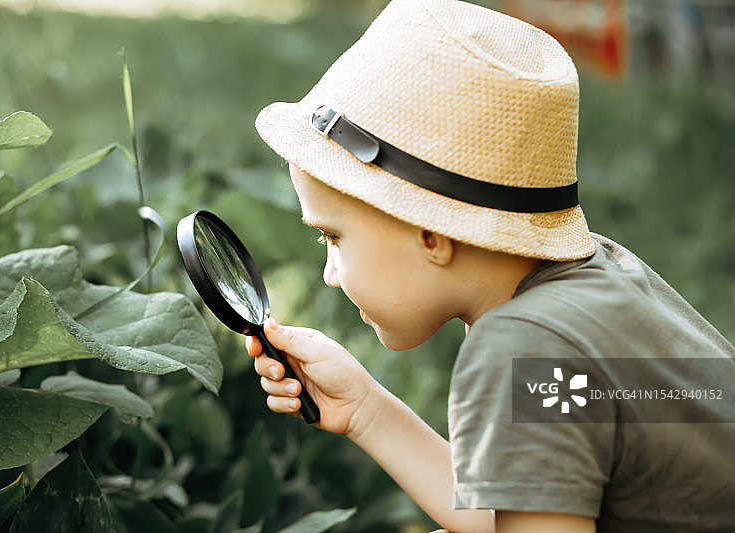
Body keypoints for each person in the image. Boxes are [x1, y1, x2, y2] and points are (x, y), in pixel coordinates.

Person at [244, 0, 735, 531]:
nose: (330, 273)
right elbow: (518, 510)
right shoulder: (587, 289)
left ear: (431, 234)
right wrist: (366, 410)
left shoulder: (525, 346)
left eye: (332, 237)